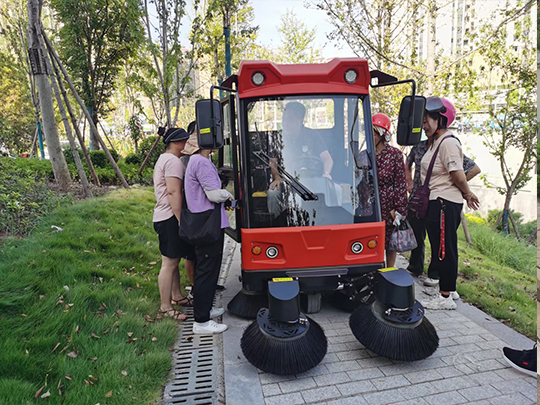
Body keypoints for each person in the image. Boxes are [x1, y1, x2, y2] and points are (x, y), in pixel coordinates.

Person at [418, 97, 479, 310]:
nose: (423, 126)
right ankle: (448, 289)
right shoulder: (437, 142)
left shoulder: (448, 142)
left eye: (426, 121)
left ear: (440, 120)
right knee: (442, 247)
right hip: (439, 201)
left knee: (444, 249)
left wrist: (468, 193)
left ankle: (444, 297)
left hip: (444, 202)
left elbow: (457, 173)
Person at [405, 129, 481, 289]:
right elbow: (408, 162)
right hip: (419, 198)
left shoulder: (446, 145)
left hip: (438, 199)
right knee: (417, 233)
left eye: (427, 122)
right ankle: (415, 266)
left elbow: (473, 169)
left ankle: (435, 274)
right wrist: (409, 181)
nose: (425, 127)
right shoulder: (419, 146)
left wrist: (454, 185)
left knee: (438, 240)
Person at [183, 133, 232, 334]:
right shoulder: (201, 162)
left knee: (207, 271)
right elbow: (213, 194)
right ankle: (201, 322)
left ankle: (205, 310)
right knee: (206, 272)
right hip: (208, 225)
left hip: (202, 223)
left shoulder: (194, 161)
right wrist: (228, 194)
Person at [152, 127, 191, 321]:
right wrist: (181, 220)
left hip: (163, 216)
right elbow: (174, 192)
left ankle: (176, 296)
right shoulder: (173, 161)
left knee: (173, 260)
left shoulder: (164, 159)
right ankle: (165, 307)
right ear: (176, 143)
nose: (186, 145)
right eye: (184, 141)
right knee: (168, 263)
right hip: (169, 217)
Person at [371, 113, 408, 267]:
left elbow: (400, 183)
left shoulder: (395, 155)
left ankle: (390, 269)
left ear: (382, 135)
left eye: (374, 132)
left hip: (389, 204)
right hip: (370, 204)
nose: (371, 136)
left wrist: (400, 209)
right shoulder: (363, 155)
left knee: (390, 240)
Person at [269, 102, 334, 190]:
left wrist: (326, 174)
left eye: (290, 119)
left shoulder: (312, 135)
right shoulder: (278, 137)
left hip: (314, 180)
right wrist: (277, 178)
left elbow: (327, 159)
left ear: (300, 120)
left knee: (337, 191)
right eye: (284, 118)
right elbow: (273, 162)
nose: (285, 123)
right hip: (287, 182)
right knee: (272, 193)